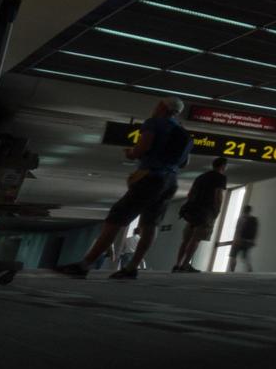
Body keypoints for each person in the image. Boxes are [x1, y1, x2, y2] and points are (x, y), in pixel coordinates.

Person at [57, 96, 192, 279]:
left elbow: (142, 149)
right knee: (150, 224)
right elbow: (184, 163)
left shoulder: (154, 123)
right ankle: (132, 268)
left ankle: (84, 265)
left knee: (116, 218)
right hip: (170, 181)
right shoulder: (182, 132)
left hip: (150, 178)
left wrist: (131, 153)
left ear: (162, 106)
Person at [171, 157, 228, 273]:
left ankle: (177, 264)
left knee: (186, 239)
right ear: (223, 166)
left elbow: (190, 194)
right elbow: (218, 194)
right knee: (196, 238)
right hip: (206, 210)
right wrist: (217, 210)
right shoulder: (220, 177)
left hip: (193, 209)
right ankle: (185, 265)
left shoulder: (201, 177)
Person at [228, 205, 259, 272]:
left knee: (233, 256)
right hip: (247, 242)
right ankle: (250, 270)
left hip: (239, 240)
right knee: (246, 257)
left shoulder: (241, 218)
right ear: (250, 211)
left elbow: (238, 230)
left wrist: (236, 240)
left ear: (243, 210)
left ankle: (232, 272)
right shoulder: (253, 220)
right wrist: (252, 241)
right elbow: (255, 231)